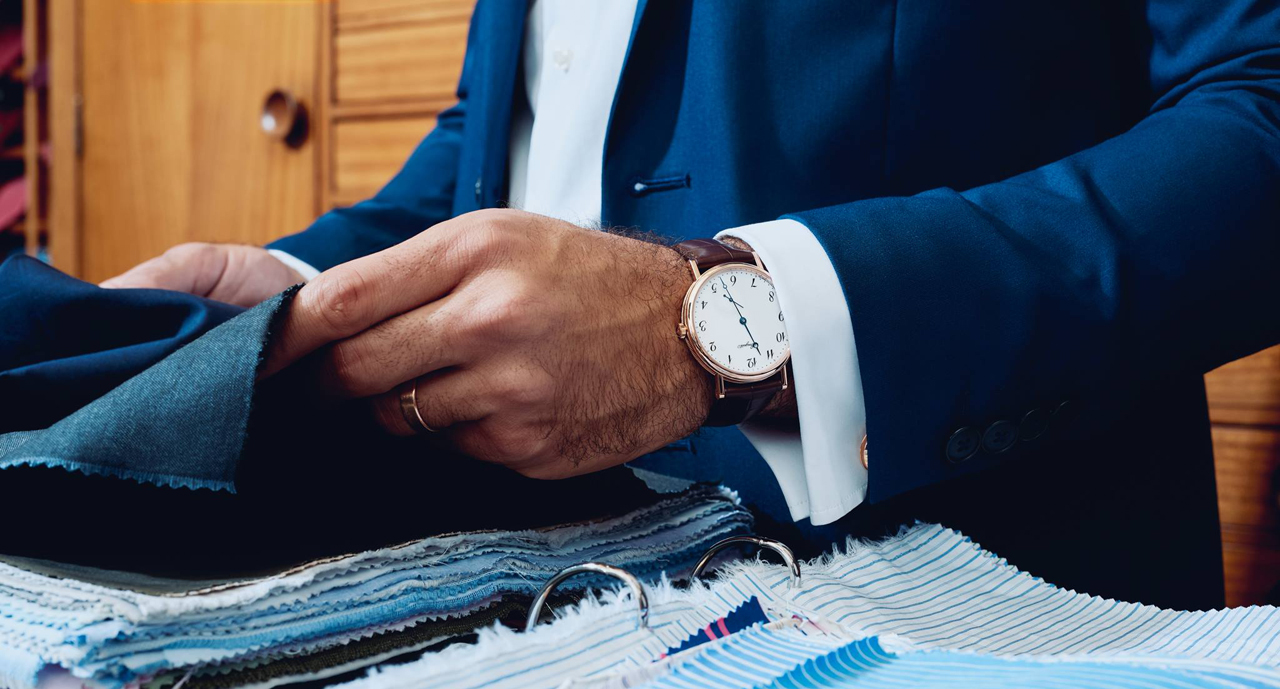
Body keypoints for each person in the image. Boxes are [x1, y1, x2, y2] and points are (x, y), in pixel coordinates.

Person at [100, 0, 1280, 609]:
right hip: (504, 636)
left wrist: (722, 326)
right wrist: (309, 294)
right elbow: (504, 146)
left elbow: (1257, 105)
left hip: (968, 637)